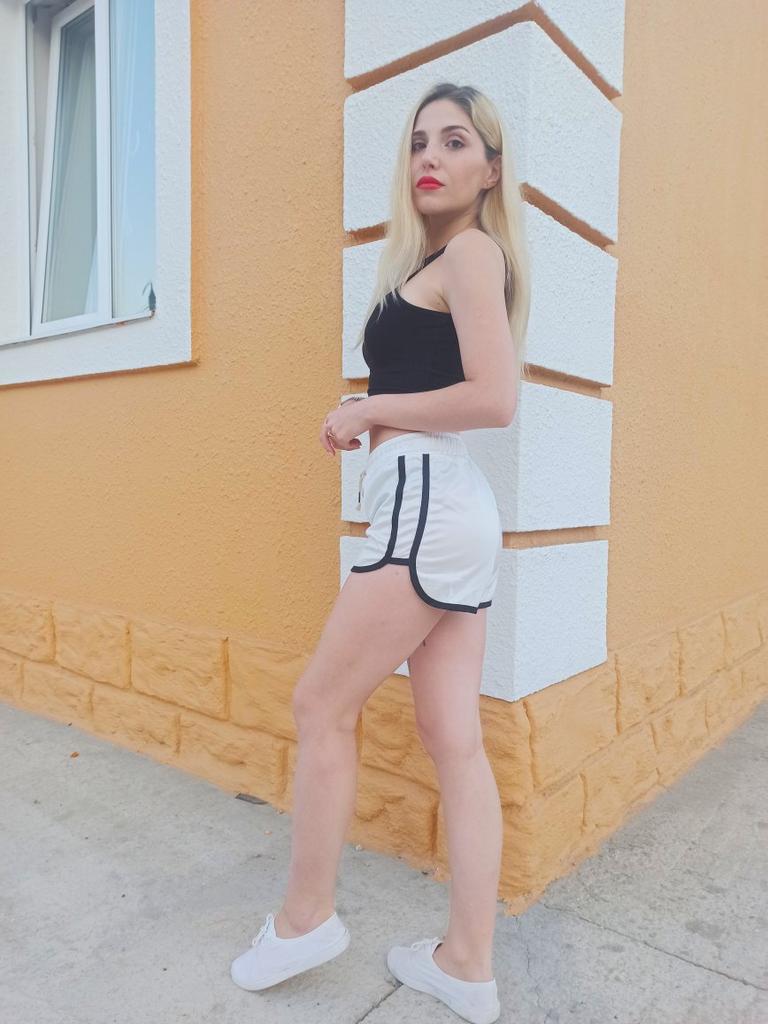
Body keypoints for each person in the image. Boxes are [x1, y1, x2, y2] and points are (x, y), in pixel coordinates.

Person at [230, 81, 531, 1024]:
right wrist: (375, 415)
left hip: (426, 502)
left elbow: (495, 397)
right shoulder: (438, 259)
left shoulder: (471, 251)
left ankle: (304, 920)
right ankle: (465, 965)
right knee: (455, 741)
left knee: (321, 705)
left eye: (456, 141)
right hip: (450, 507)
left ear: (491, 170)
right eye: (418, 141)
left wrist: (370, 409)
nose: (430, 156)